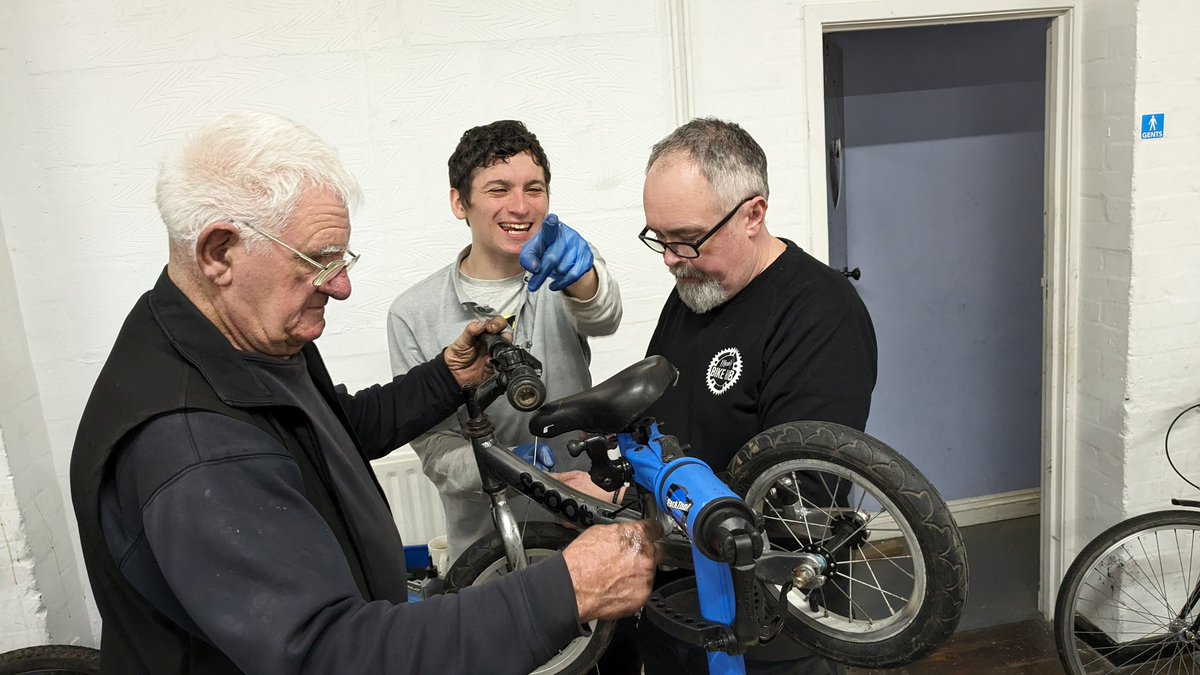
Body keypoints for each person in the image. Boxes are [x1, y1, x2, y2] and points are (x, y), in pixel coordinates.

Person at [69, 111, 658, 675]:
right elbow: (332, 656)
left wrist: (447, 377)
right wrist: (565, 591)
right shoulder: (194, 445)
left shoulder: (243, 344)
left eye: (341, 258)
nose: (343, 286)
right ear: (219, 252)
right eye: (320, 261)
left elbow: (337, 428)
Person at [635, 118, 878, 673]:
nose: (672, 258)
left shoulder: (820, 314)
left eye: (688, 238)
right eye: (660, 239)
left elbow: (800, 494)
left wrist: (652, 527)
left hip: (770, 619)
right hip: (684, 597)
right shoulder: (699, 288)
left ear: (753, 214)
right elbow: (665, 415)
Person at [387, 119, 621, 565]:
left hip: (583, 528)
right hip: (488, 548)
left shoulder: (566, 271)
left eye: (534, 189)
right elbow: (434, 451)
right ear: (460, 202)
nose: (520, 206)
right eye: (498, 190)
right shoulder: (412, 313)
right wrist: (509, 464)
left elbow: (603, 315)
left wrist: (584, 276)